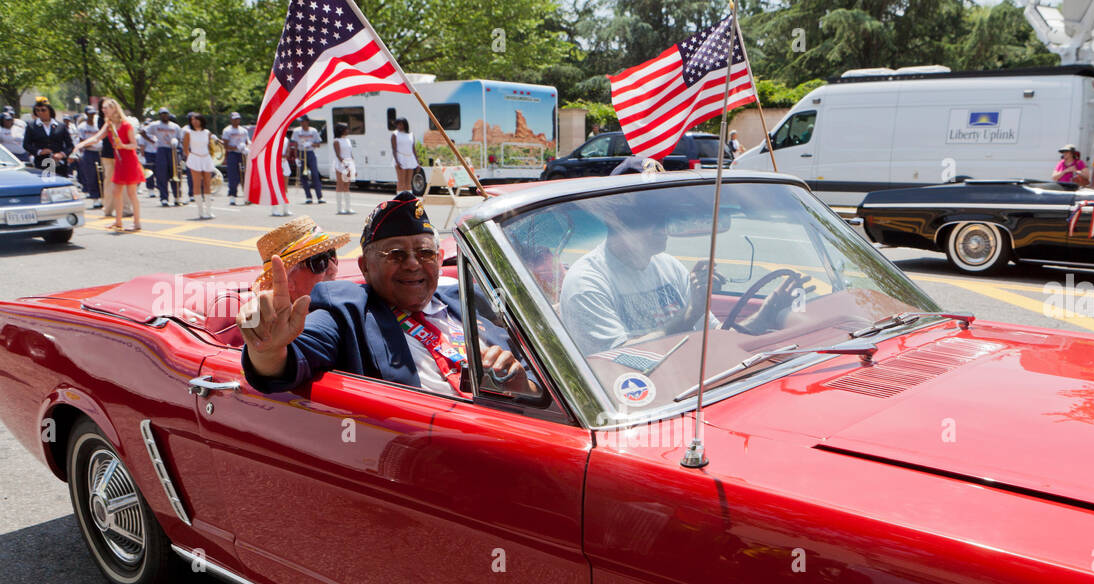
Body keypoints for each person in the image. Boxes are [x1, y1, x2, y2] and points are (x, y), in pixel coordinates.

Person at [239, 192, 529, 397]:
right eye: (396, 254)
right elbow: (288, 362)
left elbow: (545, 382)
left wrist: (521, 388)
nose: (414, 263)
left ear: (440, 259)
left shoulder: (468, 300)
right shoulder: (346, 309)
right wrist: (267, 349)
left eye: (425, 252)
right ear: (366, 266)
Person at [559, 193, 802, 355]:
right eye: (648, 218)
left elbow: (717, 338)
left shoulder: (669, 267)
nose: (663, 227)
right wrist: (688, 315)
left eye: (664, 218)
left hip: (688, 390)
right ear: (618, 222)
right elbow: (616, 361)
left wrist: (765, 315)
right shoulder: (587, 282)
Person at [70, 97, 144, 232]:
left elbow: (134, 144)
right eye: (103, 108)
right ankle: (118, 221)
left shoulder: (126, 125)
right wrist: (81, 144)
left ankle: (137, 222)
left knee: (131, 192)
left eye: (106, 108)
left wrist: (122, 145)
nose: (103, 110)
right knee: (116, 191)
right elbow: (97, 137)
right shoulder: (109, 124)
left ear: (114, 109)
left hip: (129, 160)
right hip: (119, 161)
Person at [22, 97, 74, 177]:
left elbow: (70, 146)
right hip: (41, 163)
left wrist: (62, 154)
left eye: (43, 110)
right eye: (37, 110)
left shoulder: (60, 126)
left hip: (59, 164)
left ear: (49, 110)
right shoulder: (32, 126)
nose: (40, 113)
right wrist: (39, 151)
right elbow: (26, 144)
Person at [145, 108, 183, 207]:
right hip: (161, 149)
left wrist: (177, 143)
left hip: (173, 150)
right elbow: (143, 131)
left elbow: (180, 138)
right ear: (159, 115)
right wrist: (151, 141)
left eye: (166, 114)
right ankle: (164, 198)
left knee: (175, 173)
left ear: (169, 115)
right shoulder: (155, 125)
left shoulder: (175, 126)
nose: (164, 116)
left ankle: (177, 196)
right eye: (162, 114)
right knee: (162, 175)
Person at [183, 112, 217, 219]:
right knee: (196, 184)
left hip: (206, 158)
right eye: (192, 120)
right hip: (195, 158)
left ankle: (209, 211)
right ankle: (200, 211)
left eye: (196, 120)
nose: (194, 122)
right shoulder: (188, 133)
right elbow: (185, 148)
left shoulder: (207, 132)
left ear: (201, 120)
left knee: (207, 184)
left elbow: (212, 146)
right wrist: (192, 158)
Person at [74, 107, 102, 208]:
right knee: (91, 175)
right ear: (86, 114)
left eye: (93, 114)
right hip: (88, 152)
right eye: (90, 114)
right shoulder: (82, 127)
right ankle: (95, 198)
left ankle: (102, 197)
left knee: (101, 175)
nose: (92, 116)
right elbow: (81, 141)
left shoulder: (98, 125)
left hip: (99, 152)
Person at [291, 117, 324, 204]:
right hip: (301, 153)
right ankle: (308, 196)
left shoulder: (313, 131)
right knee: (303, 176)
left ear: (307, 122)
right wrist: (296, 157)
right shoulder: (296, 131)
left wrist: (311, 144)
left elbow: (318, 144)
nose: (301, 123)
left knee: (315, 175)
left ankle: (319, 197)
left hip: (310, 153)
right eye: (300, 122)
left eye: (303, 121)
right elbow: (295, 145)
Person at [220, 111, 249, 204]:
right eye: (234, 119)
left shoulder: (243, 130)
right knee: (233, 176)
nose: (236, 121)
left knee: (245, 175)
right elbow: (225, 145)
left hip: (242, 154)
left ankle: (247, 196)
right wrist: (236, 147)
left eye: (238, 119)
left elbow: (247, 142)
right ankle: (232, 196)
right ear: (231, 120)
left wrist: (246, 148)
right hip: (232, 154)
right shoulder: (227, 130)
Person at [332, 122, 356, 214]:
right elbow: (338, 154)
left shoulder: (347, 140)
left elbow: (350, 153)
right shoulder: (336, 141)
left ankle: (348, 207)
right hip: (340, 164)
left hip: (349, 163)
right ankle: (339, 208)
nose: (348, 130)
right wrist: (345, 164)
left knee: (347, 185)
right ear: (341, 130)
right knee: (340, 185)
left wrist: (352, 165)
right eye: (346, 129)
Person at [391, 117, 418, 193]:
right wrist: (397, 161)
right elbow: (394, 149)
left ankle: (408, 200)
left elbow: (413, 149)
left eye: (400, 124)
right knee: (401, 182)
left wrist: (417, 162)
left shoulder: (411, 134)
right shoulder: (395, 134)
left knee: (408, 182)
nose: (398, 126)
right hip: (400, 158)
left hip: (410, 158)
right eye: (397, 124)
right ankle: (399, 200)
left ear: (405, 124)